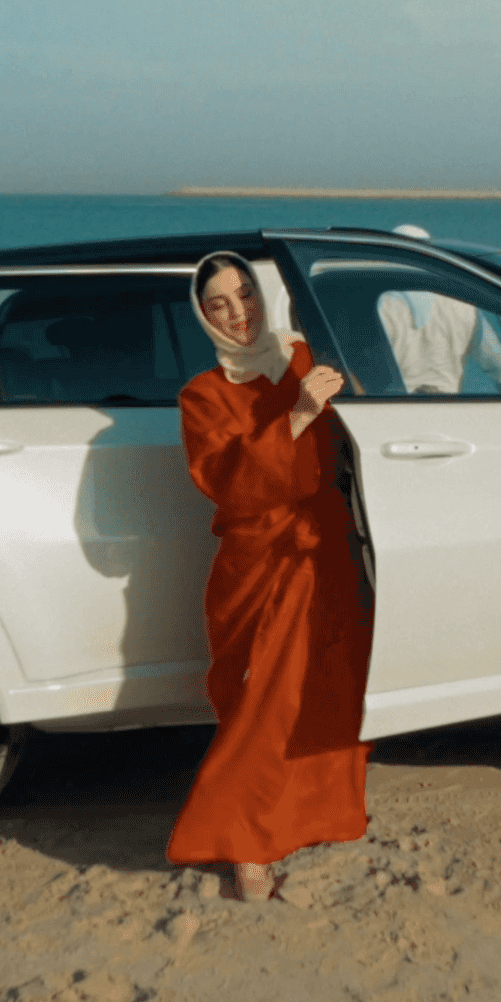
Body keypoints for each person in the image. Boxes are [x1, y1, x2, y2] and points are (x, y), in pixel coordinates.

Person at [167, 251, 375, 900]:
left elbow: (363, 433)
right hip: (261, 561)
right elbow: (228, 483)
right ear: (203, 316)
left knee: (327, 695)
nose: (238, 314)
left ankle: (307, 822)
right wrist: (298, 415)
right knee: (261, 709)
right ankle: (245, 849)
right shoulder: (202, 394)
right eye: (219, 305)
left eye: (246, 296)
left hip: (329, 552)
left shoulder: (307, 357)